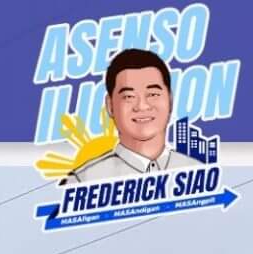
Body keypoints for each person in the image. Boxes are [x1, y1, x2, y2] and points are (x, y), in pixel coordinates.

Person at [66, 49, 207, 184]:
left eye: (153, 94)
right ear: (110, 105)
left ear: (169, 100)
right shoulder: (82, 180)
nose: (142, 106)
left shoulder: (200, 173)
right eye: (129, 96)